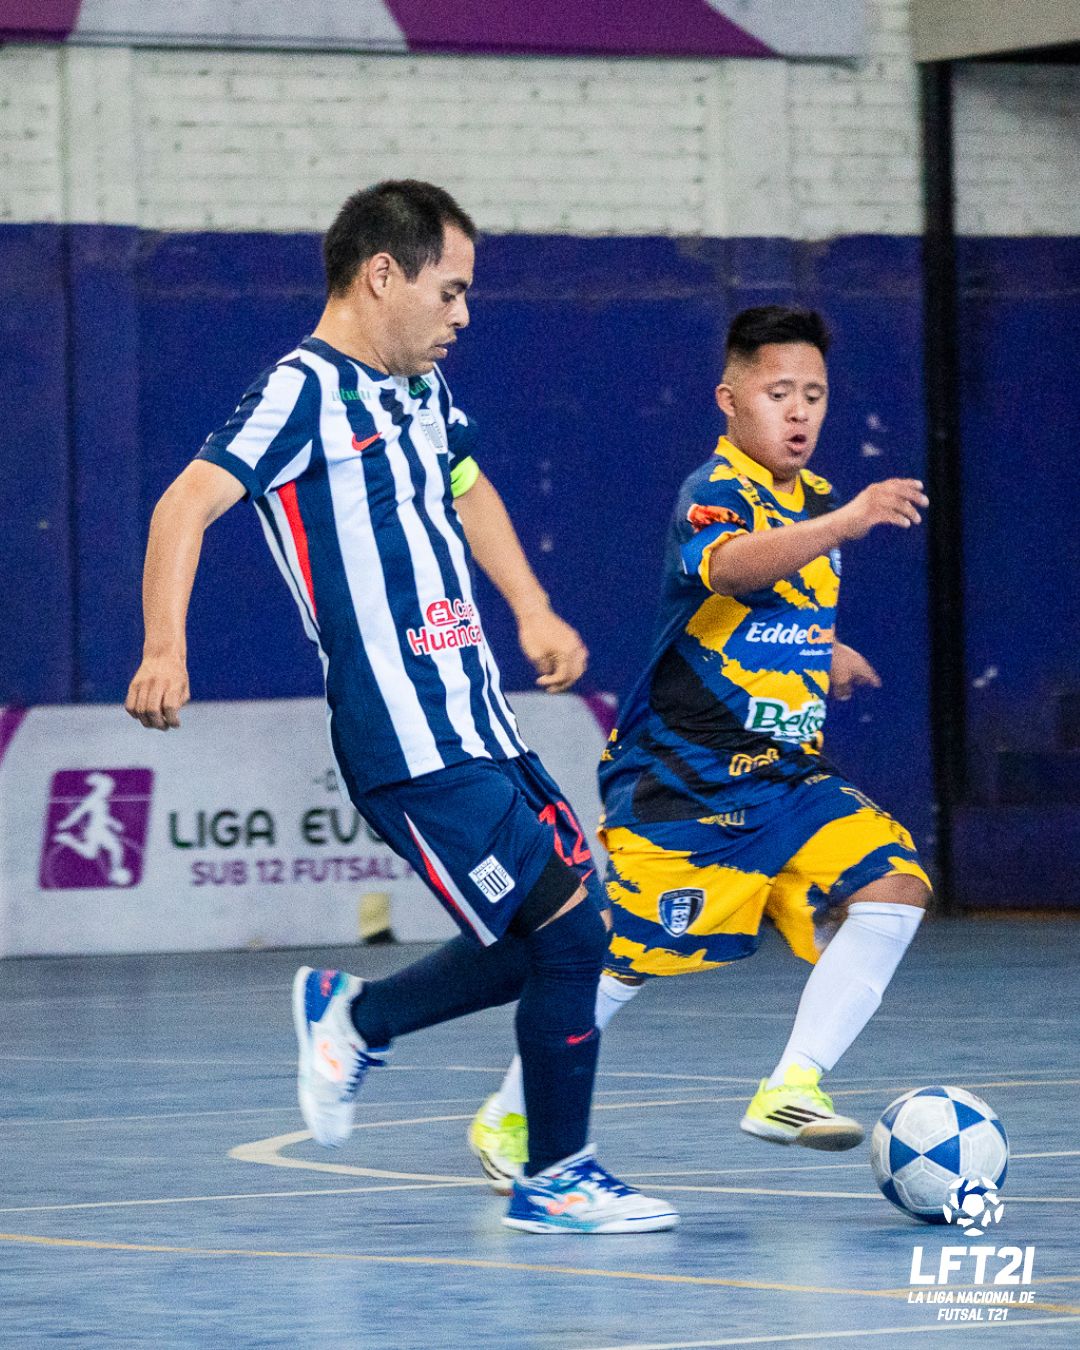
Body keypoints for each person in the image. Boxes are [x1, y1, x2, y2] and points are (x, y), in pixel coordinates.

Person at [125, 179, 676, 1235]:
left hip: (478, 717)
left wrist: (532, 606)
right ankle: (557, 1177)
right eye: (450, 290)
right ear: (383, 275)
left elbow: (467, 488)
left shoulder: (420, 390)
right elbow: (182, 505)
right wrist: (163, 647)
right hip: (406, 736)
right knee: (569, 930)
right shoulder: (301, 393)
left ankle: (358, 1019)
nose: (463, 314)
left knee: (562, 933)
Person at [469, 305, 932, 1191]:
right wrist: (846, 524)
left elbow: (767, 606)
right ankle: (511, 1112)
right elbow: (728, 568)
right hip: (683, 779)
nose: (799, 411)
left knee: (895, 883)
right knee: (625, 957)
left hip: (785, 777)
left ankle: (791, 1087)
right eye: (778, 392)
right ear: (730, 399)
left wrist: (821, 649)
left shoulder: (814, 498)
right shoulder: (713, 491)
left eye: (815, 396)